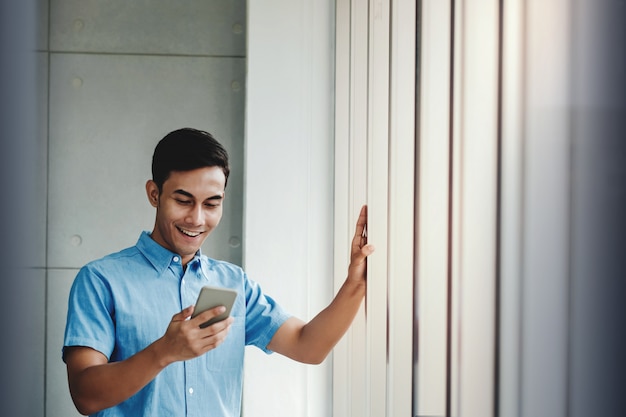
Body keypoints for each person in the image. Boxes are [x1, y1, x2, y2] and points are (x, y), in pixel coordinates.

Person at [63, 127, 374, 417]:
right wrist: (164, 351)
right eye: (183, 201)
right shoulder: (101, 280)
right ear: (154, 194)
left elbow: (309, 346)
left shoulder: (234, 283)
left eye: (212, 204)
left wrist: (355, 283)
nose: (197, 219)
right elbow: (85, 395)